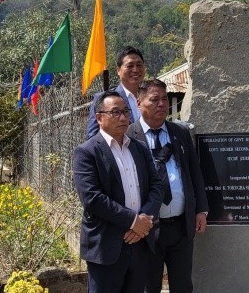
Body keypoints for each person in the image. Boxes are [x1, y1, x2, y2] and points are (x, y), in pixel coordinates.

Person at [72, 91, 164, 293]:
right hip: (106, 246)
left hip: (140, 243)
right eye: (115, 112)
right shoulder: (87, 152)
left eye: (125, 112)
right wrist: (133, 221)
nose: (123, 118)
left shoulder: (139, 148)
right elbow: (92, 198)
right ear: (99, 118)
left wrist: (146, 218)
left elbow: (157, 185)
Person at [127, 79, 209, 293]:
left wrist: (200, 209)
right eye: (154, 100)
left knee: (183, 286)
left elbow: (194, 172)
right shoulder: (128, 137)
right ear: (139, 103)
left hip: (181, 227)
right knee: (148, 286)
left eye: (164, 99)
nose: (162, 104)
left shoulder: (179, 133)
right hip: (147, 230)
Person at [85, 46, 147, 139]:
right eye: (130, 66)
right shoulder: (103, 100)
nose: (135, 70)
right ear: (118, 70)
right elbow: (92, 137)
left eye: (139, 65)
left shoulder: (152, 98)